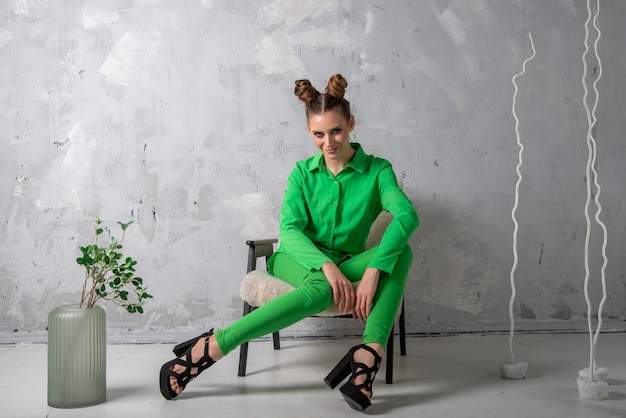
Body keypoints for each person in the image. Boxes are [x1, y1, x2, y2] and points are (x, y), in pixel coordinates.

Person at [159, 74, 419, 411]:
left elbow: (407, 216)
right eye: (319, 134)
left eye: (336, 130)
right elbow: (291, 231)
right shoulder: (301, 173)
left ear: (351, 123)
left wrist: (372, 270)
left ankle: (369, 353)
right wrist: (326, 266)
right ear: (309, 132)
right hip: (294, 258)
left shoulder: (378, 170)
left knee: (402, 252)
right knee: (323, 288)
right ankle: (212, 347)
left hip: (348, 260)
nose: (329, 142)